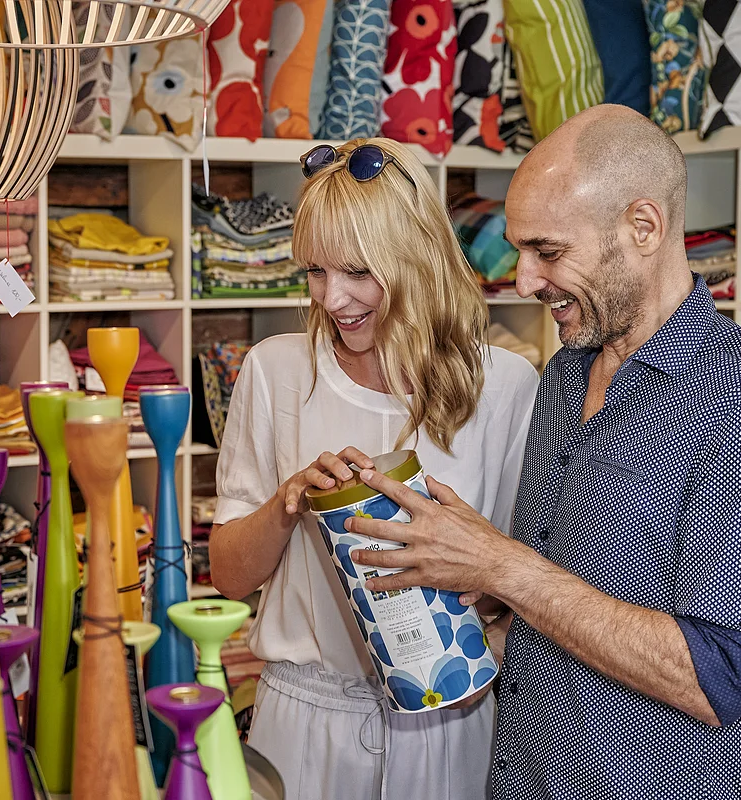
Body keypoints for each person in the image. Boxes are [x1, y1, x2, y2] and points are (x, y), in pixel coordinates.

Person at [349, 105, 741, 800]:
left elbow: (719, 675)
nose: (522, 280)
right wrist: (465, 579)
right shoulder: (564, 375)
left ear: (643, 228)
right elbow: (550, 607)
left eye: (548, 251)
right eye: (520, 250)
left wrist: (501, 564)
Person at [209, 137, 539, 799]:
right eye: (316, 272)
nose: (333, 299)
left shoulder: (504, 385)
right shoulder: (275, 372)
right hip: (303, 722)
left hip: (450, 721)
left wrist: (470, 558)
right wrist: (289, 503)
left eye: (358, 271)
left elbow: (522, 581)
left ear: (415, 256)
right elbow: (228, 574)